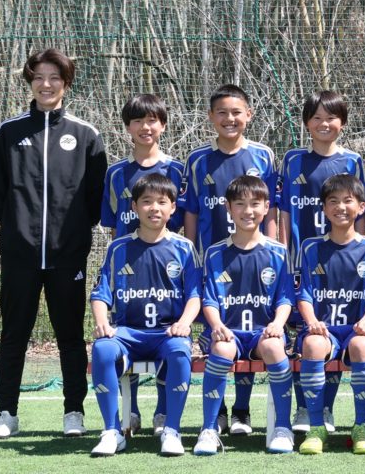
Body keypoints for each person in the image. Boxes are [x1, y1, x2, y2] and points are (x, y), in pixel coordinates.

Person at [0, 48, 107, 439]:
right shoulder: (7, 132)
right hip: (19, 254)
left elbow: (96, 196)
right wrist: (18, 229)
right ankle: (6, 412)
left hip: (67, 255)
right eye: (38, 77)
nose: (46, 84)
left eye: (54, 77)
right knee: (13, 335)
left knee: (69, 336)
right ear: (30, 82)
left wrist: (71, 233)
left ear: (66, 83)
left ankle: (74, 412)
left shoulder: (86, 134)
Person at [181, 83, 279, 435]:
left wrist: (272, 248)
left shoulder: (263, 156)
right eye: (221, 112)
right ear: (211, 117)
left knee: (250, 327)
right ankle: (219, 411)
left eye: (236, 112)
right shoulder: (197, 160)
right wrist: (191, 255)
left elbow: (270, 209)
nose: (229, 118)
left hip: (255, 259)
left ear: (248, 115)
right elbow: (191, 211)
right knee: (219, 333)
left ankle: (242, 410)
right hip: (215, 261)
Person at [88, 174, 201, 456]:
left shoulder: (184, 248)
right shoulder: (118, 248)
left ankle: (172, 430)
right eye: (147, 202)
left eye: (162, 202)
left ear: (173, 208)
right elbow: (101, 294)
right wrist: (102, 323)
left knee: (179, 350)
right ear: (135, 207)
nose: (154, 208)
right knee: (102, 349)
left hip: (166, 333)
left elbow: (195, 296)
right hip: (128, 333)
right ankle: (112, 431)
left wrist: (184, 323)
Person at [277, 90, 365, 433]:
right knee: (305, 333)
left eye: (331, 118)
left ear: (342, 122)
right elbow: (283, 213)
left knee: (334, 328)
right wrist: (284, 256)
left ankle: (325, 408)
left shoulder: (353, 161)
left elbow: (359, 217)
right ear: (306, 123)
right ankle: (304, 408)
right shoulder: (292, 160)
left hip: (340, 261)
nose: (324, 124)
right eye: (316, 118)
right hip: (302, 261)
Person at [101, 94, 186, 435]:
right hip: (128, 269)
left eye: (152, 120)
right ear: (127, 128)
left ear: (162, 125)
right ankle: (131, 411)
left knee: (168, 336)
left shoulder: (177, 170)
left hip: (165, 267)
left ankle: (163, 414)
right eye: (137, 121)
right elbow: (113, 226)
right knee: (127, 331)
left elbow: (184, 222)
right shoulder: (115, 173)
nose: (145, 127)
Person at [193, 175, 296, 455]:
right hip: (229, 331)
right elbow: (209, 299)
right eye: (239, 204)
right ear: (228, 208)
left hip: (263, 331)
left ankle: (283, 427)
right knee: (222, 348)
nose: (247, 211)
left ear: (266, 208)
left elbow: (285, 298)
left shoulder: (278, 253)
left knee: (274, 346)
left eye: (255, 204)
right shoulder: (215, 253)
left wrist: (278, 323)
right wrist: (216, 325)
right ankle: (209, 429)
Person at [295, 174, 365, 455]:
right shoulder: (310, 247)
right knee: (312, 344)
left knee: (362, 344)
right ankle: (316, 427)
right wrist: (312, 322)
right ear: (324, 208)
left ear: (361, 207)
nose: (341, 207)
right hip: (324, 330)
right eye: (333, 201)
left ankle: (361, 426)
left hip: (356, 329)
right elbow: (304, 294)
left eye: (348, 200)